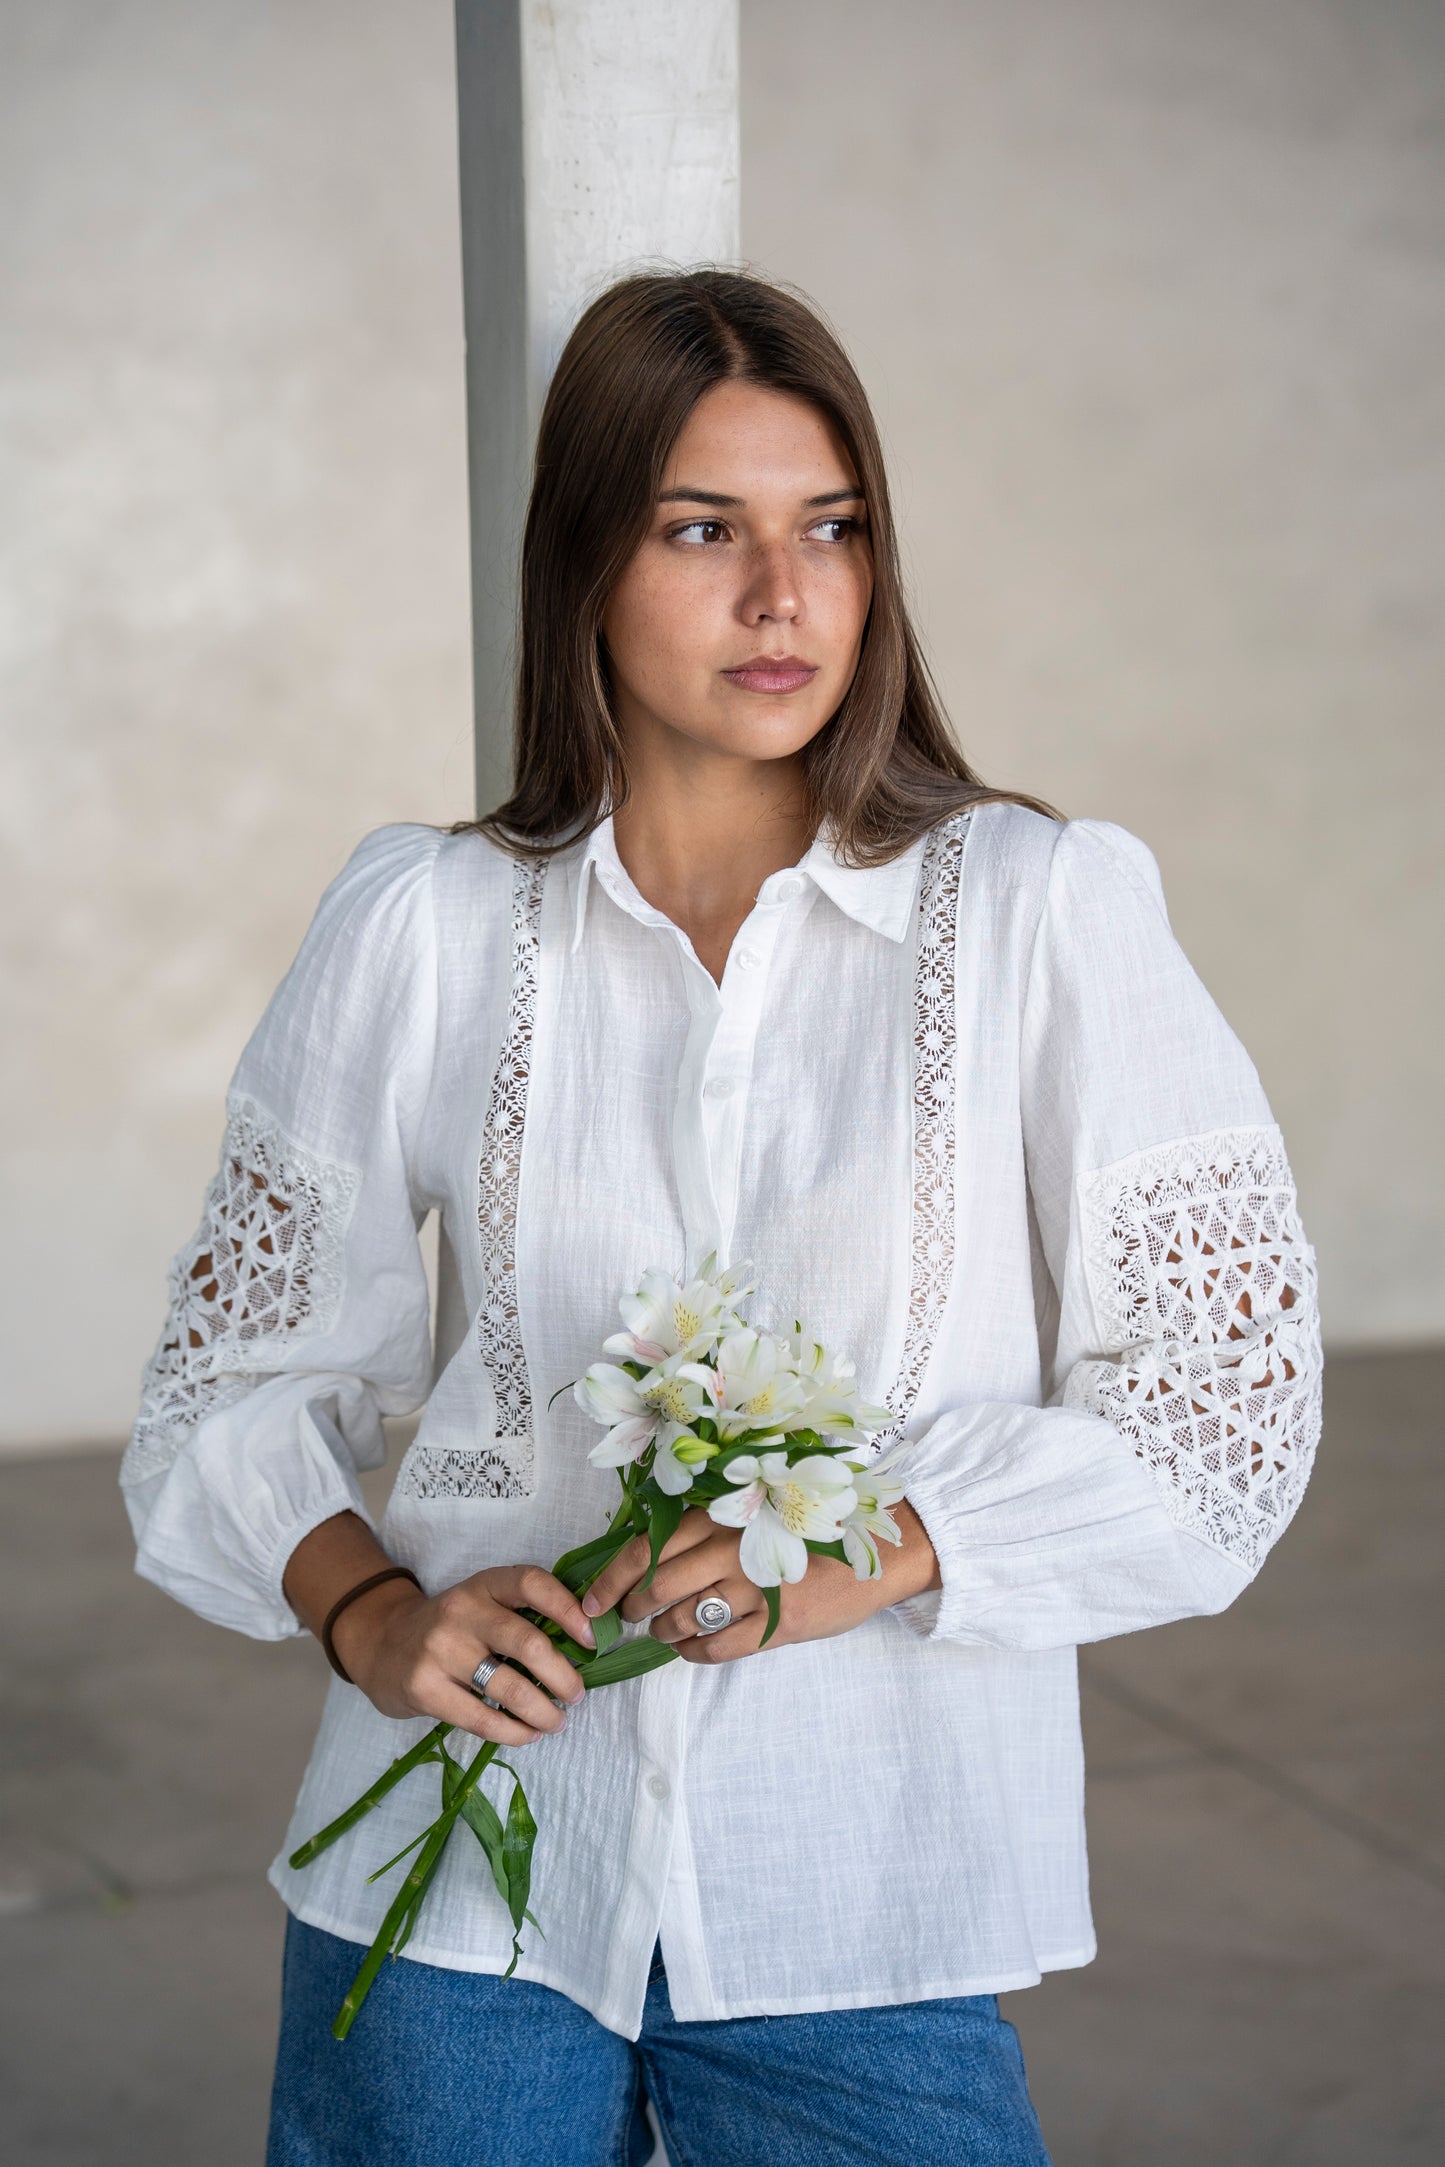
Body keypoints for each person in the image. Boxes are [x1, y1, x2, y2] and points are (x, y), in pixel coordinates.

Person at [121, 269, 1322, 2167]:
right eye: (703, 530)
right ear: (583, 561)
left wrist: (878, 1551)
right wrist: (371, 1617)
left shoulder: (1036, 910)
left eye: (829, 529)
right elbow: (227, 1384)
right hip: (459, 1881)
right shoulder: (425, 925)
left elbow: (1220, 1412)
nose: (784, 596)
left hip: (864, 1888)